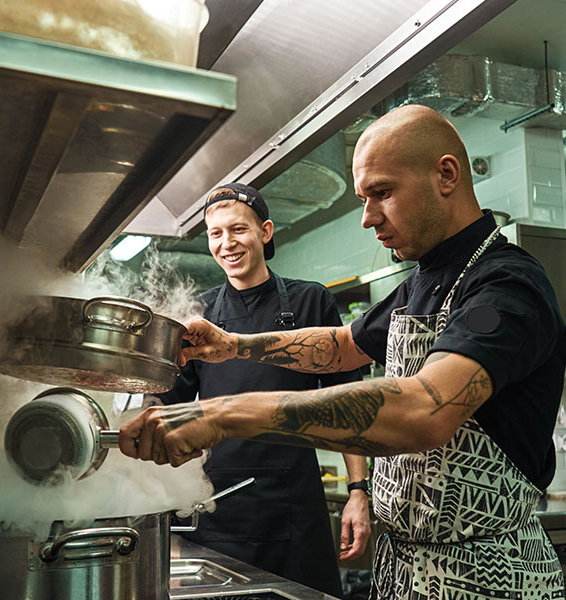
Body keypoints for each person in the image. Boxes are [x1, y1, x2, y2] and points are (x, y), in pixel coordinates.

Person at [120, 105, 566, 599]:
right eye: (363, 197)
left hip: (483, 574)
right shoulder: (422, 280)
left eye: (382, 193)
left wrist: (224, 414)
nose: (367, 218)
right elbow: (342, 347)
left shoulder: (503, 288)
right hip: (404, 567)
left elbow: (424, 409)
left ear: (446, 175)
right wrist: (233, 346)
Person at [148, 182, 370, 598]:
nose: (226, 243)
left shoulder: (311, 301)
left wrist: (359, 492)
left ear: (265, 232)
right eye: (216, 233)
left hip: (295, 508)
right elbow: (166, 405)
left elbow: (349, 402)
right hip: (216, 507)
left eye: (238, 230)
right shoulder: (198, 314)